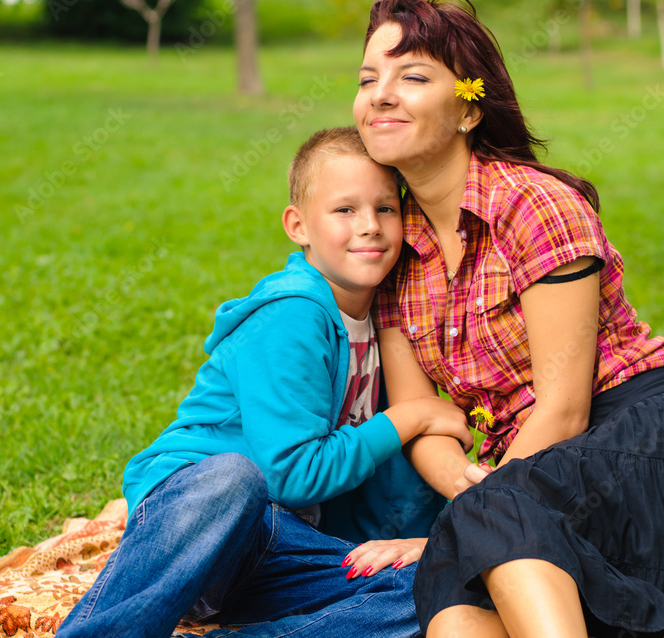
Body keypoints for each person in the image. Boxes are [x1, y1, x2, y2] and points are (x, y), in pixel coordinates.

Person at [342, 1, 664, 637]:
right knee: (452, 611)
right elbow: (421, 417)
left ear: (469, 110)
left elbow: (563, 410)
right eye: (368, 79)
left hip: (651, 439)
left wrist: (481, 512)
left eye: (413, 77)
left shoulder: (531, 204)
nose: (381, 95)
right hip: (540, 482)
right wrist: (473, 506)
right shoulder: (394, 248)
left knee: (479, 529)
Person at [55, 127, 471, 638]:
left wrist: (424, 543)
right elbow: (293, 473)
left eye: (385, 208)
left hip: (281, 548)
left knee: (429, 587)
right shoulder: (292, 313)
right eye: (344, 210)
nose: (370, 226)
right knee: (233, 477)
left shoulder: (386, 320)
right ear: (298, 225)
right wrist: (408, 417)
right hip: (199, 528)